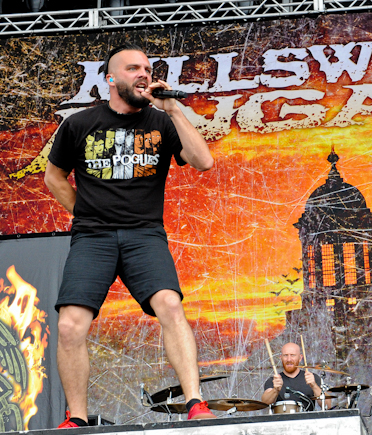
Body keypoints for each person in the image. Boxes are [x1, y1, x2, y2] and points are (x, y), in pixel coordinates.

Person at [44, 43, 217, 427]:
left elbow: (204, 162)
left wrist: (171, 107)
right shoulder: (79, 124)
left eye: (148, 68)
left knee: (171, 306)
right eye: (133, 68)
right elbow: (53, 177)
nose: (144, 73)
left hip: (144, 235)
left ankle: (195, 403)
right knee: (70, 324)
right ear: (110, 78)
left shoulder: (161, 121)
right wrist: (86, 212)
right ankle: (78, 419)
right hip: (93, 237)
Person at [260, 343, 326, 411]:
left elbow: (327, 405)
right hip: (281, 421)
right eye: (285, 355)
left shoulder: (312, 378)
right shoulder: (273, 380)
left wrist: (314, 386)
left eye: (292, 355)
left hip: (308, 421)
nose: (289, 359)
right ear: (281, 357)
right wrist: (275, 390)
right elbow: (265, 403)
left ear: (300, 358)